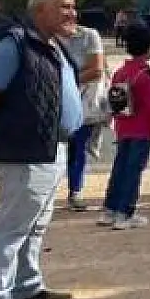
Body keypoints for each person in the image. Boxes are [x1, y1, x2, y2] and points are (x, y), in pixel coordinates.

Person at [0, 0, 84, 299]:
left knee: (35, 227)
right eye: (64, 7)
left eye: (73, 7)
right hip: (23, 154)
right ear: (40, 11)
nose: (72, 13)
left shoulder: (52, 45)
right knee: (12, 229)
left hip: (52, 150)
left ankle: (26, 287)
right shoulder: (15, 44)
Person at [99, 24, 150, 230]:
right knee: (134, 170)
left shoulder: (121, 72)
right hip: (142, 128)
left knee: (120, 167)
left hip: (124, 126)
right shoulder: (146, 74)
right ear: (149, 48)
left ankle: (109, 209)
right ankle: (125, 212)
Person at [60, 17, 108, 211]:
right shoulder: (46, 38)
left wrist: (62, 82)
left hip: (83, 101)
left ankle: (75, 191)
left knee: (77, 147)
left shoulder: (88, 36)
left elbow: (96, 70)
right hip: (54, 98)